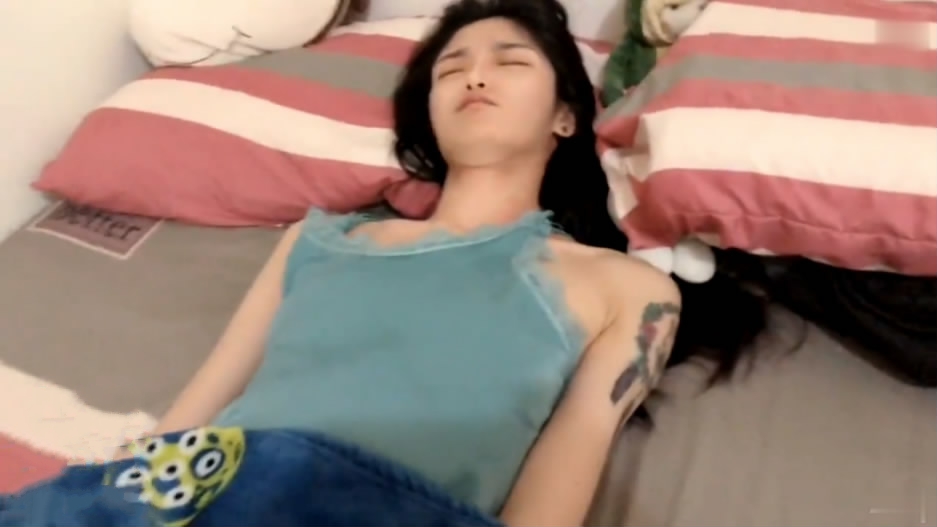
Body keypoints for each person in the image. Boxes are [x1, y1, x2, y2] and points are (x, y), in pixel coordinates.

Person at [0, 0, 765, 525]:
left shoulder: (628, 288)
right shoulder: (318, 239)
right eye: (450, 68)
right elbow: (189, 418)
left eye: (509, 62)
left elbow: (560, 481)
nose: (474, 76)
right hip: (216, 486)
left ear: (566, 114)